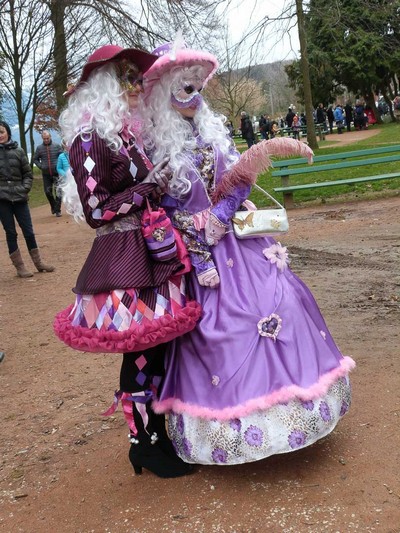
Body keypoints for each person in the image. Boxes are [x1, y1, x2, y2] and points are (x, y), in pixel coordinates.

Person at [142, 41, 355, 466]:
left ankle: (293, 416)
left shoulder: (212, 133)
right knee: (219, 327)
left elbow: (239, 176)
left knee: (284, 303)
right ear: (164, 90)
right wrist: (193, 230)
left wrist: (220, 215)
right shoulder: (152, 147)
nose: (193, 94)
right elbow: (155, 201)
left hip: (237, 240)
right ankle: (227, 429)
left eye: (197, 87)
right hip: (194, 254)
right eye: (183, 87)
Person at [55, 44, 201, 478]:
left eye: (138, 78)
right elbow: (97, 209)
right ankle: (144, 444)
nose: (137, 86)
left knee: (155, 348)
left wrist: (157, 181)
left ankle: (155, 435)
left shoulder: (123, 135)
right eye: (126, 78)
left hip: (148, 249)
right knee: (140, 349)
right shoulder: (88, 139)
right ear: (103, 87)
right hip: (122, 255)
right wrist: (150, 187)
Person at [0, 120, 54, 278]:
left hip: (20, 197)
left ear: (8, 132)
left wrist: (24, 189)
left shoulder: (19, 151)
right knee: (11, 233)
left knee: (28, 232)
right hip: (2, 200)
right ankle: (20, 267)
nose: (0, 135)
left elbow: (28, 174)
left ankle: (39, 263)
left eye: (2, 132)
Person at [33, 130, 63, 216]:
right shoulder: (39, 148)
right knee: (47, 192)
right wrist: (41, 166)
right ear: (42, 138)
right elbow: (35, 159)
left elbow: (62, 157)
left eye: (47, 138)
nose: (46, 140)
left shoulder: (57, 146)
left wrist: (60, 167)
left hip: (57, 173)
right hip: (46, 174)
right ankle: (54, 206)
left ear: (50, 137)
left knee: (58, 192)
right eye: (44, 138)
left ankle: (58, 211)